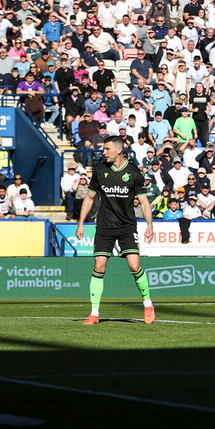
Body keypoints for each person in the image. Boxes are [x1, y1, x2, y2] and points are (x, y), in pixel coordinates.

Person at [76, 136, 156, 325]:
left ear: (119, 150)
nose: (103, 152)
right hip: (104, 226)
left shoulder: (134, 172)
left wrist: (150, 225)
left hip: (127, 226)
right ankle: (94, 314)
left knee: (134, 266)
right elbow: (89, 198)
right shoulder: (100, 170)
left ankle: (148, 304)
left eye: (107, 149)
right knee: (98, 266)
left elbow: (144, 202)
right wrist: (80, 223)